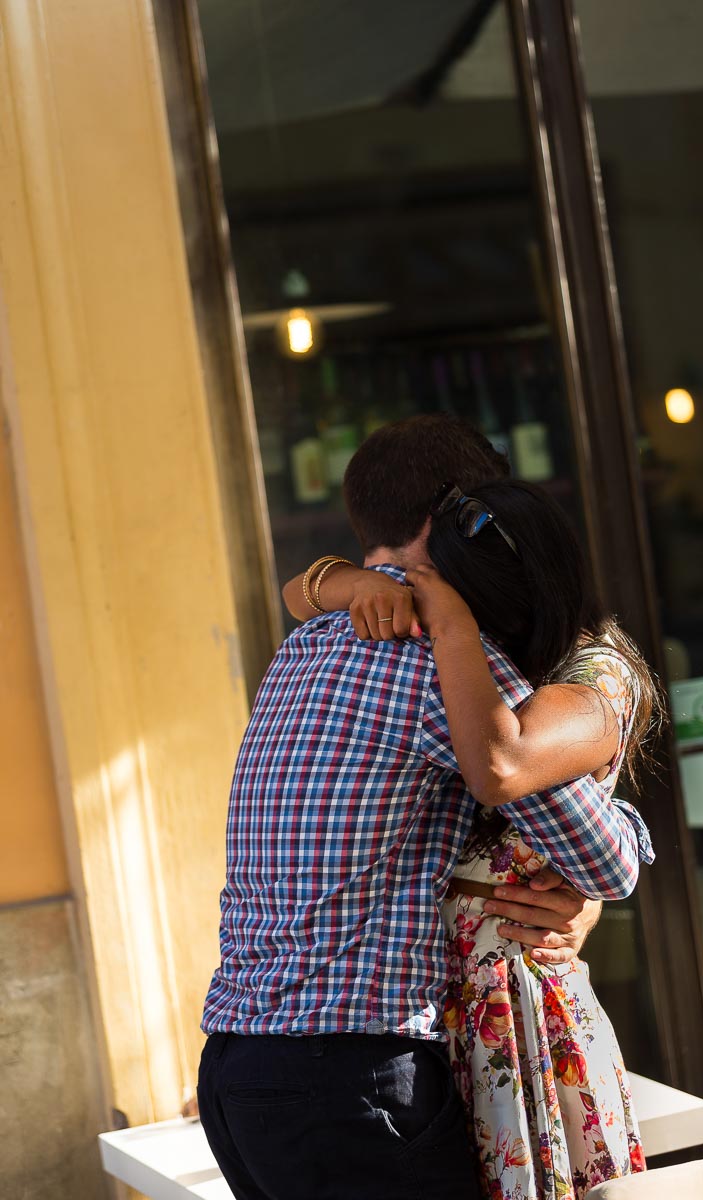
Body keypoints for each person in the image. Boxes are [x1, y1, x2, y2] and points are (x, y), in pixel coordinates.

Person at [198, 415, 654, 1200]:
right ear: (451, 516)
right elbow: (595, 850)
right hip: (349, 1081)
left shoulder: (300, 647)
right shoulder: (443, 664)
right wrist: (615, 855)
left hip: (236, 1070)